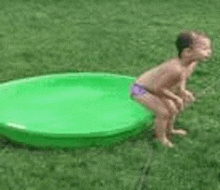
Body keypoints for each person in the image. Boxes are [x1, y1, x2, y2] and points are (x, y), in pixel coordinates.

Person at [129, 31, 213, 148]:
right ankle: (160, 138)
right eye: (204, 49)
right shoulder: (175, 69)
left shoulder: (191, 63)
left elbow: (182, 78)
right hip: (138, 89)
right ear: (187, 52)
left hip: (154, 87)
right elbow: (158, 88)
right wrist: (175, 97)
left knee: (172, 108)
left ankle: (170, 130)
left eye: (209, 48)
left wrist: (182, 91)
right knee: (163, 112)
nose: (209, 52)